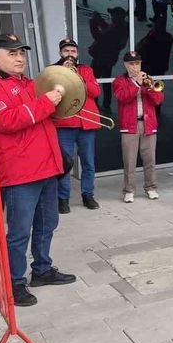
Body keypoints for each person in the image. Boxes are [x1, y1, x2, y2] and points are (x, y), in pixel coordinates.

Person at [0, 34, 76, 307]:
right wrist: (47, 101)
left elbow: (47, 115)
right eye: (11, 53)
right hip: (20, 172)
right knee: (19, 231)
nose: (19, 58)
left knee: (47, 224)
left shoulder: (30, 83)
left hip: (46, 167)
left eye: (21, 53)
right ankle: (14, 282)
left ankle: (42, 270)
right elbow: (7, 120)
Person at [53, 38, 101, 214]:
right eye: (66, 51)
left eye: (73, 51)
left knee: (88, 162)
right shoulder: (53, 71)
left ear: (77, 53)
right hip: (64, 124)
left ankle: (88, 195)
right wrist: (63, 75)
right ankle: (63, 199)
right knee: (65, 164)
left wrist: (77, 77)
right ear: (60, 53)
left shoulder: (86, 70)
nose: (70, 54)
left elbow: (95, 92)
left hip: (86, 124)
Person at [114, 51, 163, 203]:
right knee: (129, 161)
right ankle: (129, 190)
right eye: (131, 64)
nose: (135, 67)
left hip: (148, 124)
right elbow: (122, 97)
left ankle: (151, 187)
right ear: (125, 65)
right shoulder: (119, 81)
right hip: (130, 126)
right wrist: (136, 84)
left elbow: (158, 100)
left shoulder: (148, 80)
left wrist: (148, 87)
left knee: (150, 159)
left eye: (137, 63)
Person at [89, 6, 130, 112]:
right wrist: (100, 21)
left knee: (93, 81)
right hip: (109, 58)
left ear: (118, 17)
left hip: (102, 58)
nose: (111, 17)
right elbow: (108, 29)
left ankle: (95, 105)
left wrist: (93, 22)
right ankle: (106, 104)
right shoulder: (122, 26)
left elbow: (99, 36)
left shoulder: (117, 29)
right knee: (106, 81)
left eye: (113, 15)